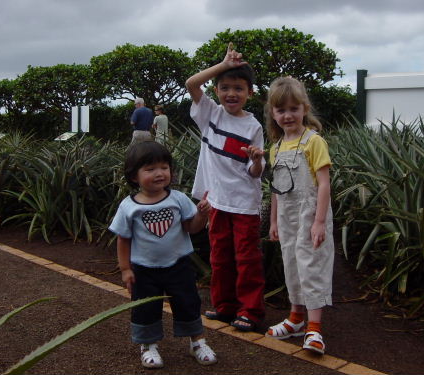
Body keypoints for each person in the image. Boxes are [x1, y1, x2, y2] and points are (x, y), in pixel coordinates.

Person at [109, 141, 217, 368]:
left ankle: (197, 341)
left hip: (179, 265)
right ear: (134, 176)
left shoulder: (177, 198)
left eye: (164, 167)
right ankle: (148, 345)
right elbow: (123, 239)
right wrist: (126, 269)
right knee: (145, 307)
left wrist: (202, 215)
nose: (159, 173)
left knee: (188, 302)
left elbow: (192, 228)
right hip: (143, 269)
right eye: (150, 169)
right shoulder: (129, 206)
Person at [185, 43, 266, 332]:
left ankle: (251, 311)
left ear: (250, 93)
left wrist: (257, 160)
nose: (231, 93)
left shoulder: (254, 127)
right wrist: (224, 64)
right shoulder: (210, 114)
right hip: (216, 201)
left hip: (244, 203)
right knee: (219, 257)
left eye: (239, 88)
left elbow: (255, 173)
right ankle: (225, 306)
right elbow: (192, 83)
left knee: (247, 259)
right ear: (217, 90)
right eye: (225, 87)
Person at [264, 76, 334, 355]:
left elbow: (324, 183)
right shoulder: (276, 148)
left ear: (304, 109)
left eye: (294, 108)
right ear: (273, 113)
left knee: (312, 266)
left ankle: (314, 328)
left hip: (310, 216)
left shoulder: (313, 142)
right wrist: (272, 221)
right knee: (291, 264)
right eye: (281, 110)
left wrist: (318, 222)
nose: (288, 115)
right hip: (286, 217)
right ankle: (295, 318)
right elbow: (276, 190)